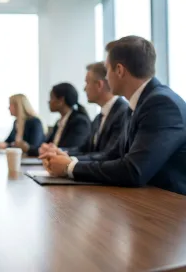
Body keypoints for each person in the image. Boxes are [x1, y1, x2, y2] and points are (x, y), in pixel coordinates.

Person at [40, 36, 186, 195]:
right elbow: (112, 155)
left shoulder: (161, 104)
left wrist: (70, 167)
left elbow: (134, 170)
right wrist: (68, 160)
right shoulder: (139, 103)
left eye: (107, 69)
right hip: (148, 200)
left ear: (119, 70)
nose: (106, 77)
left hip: (172, 208)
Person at [40, 62, 128, 157]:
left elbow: (108, 156)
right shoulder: (99, 117)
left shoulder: (123, 113)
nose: (84, 88)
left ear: (99, 85)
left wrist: (70, 163)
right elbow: (84, 149)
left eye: (87, 82)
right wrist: (59, 152)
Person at [29, 83, 91, 156]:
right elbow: (46, 144)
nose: (49, 101)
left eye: (51, 97)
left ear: (61, 100)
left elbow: (72, 149)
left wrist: (48, 150)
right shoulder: (60, 122)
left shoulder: (79, 122)